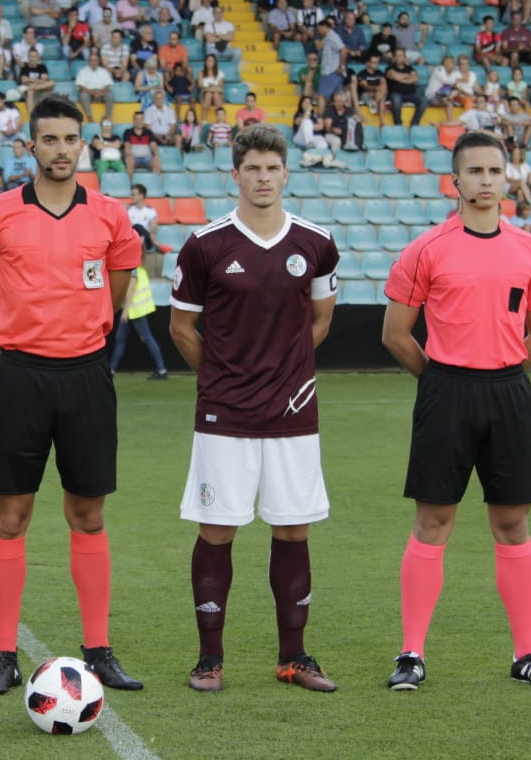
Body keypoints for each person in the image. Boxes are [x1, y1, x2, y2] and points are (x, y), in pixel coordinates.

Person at [0, 94, 144, 696]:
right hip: (21, 377)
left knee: (87, 513)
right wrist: (21, 334)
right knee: (11, 516)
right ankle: (3, 654)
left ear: (82, 145)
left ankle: (98, 649)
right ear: (31, 146)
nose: (61, 149)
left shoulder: (110, 216)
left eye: (71, 139)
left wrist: (81, 330)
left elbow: (116, 291)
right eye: (50, 140)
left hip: (87, 376)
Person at [381, 130, 531, 692]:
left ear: (506, 178)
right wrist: (443, 382)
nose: (486, 181)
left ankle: (527, 654)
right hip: (446, 393)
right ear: (455, 181)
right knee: (433, 520)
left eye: (495, 171)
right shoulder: (426, 249)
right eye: (476, 172)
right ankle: (411, 653)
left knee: (512, 523)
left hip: (509, 393)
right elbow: (396, 334)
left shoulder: (529, 249)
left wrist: (500, 379)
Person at [168, 124, 339, 695]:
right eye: (252, 168)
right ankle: (208, 659)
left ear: (286, 173)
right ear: (234, 174)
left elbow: (320, 319)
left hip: (293, 411)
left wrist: (283, 374)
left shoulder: (316, 242)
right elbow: (182, 327)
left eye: (272, 168)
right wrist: (223, 377)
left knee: (293, 529)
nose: (263, 178)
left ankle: (294, 657)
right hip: (225, 413)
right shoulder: (205, 245)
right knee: (217, 529)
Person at [109, 264, 168, 379]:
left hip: (134, 311)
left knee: (146, 339)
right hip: (133, 310)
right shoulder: (139, 269)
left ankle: (162, 370)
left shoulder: (133, 270)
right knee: (121, 339)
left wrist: (125, 312)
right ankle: (111, 370)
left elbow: (131, 290)